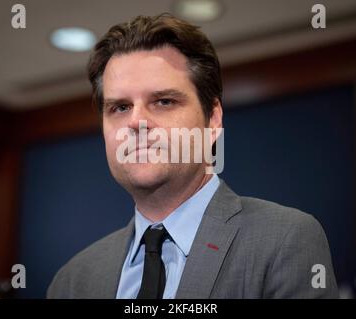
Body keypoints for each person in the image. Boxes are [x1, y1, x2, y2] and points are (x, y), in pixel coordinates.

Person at [47, 13, 338, 299]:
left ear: (212, 120)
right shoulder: (72, 282)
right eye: (120, 107)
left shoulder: (285, 241)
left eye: (163, 101)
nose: (135, 122)